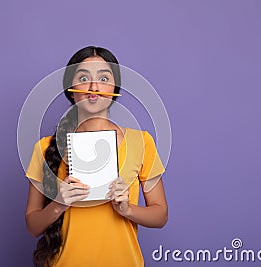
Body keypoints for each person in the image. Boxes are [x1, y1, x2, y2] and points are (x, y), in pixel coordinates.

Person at [25, 46, 168, 267]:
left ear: (114, 87)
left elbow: (160, 216)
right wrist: (58, 205)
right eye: (83, 77)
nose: (94, 86)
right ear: (71, 88)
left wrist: (127, 209)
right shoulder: (44, 148)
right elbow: (33, 226)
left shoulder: (141, 142)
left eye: (103, 77)